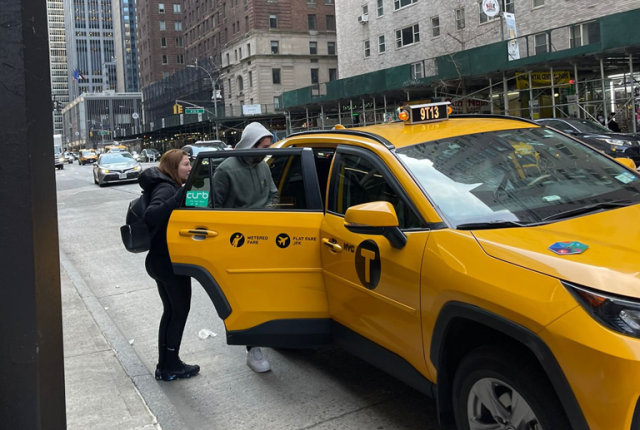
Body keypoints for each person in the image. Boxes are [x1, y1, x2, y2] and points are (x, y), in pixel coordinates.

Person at [212, 122, 277, 373]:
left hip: (267, 237)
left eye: (269, 147)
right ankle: (253, 349)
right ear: (251, 144)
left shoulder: (263, 166)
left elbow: (273, 193)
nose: (266, 152)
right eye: (263, 147)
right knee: (248, 296)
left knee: (266, 292)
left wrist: (269, 212)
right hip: (239, 241)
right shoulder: (226, 169)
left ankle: (267, 337)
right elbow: (216, 208)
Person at [139, 149, 200, 382]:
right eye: (186, 164)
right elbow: (152, 215)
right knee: (178, 312)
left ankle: (167, 364)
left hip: (162, 260)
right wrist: (179, 196)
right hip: (168, 262)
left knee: (172, 312)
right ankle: (169, 366)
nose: (189, 167)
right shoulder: (166, 188)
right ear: (174, 167)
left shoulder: (169, 185)